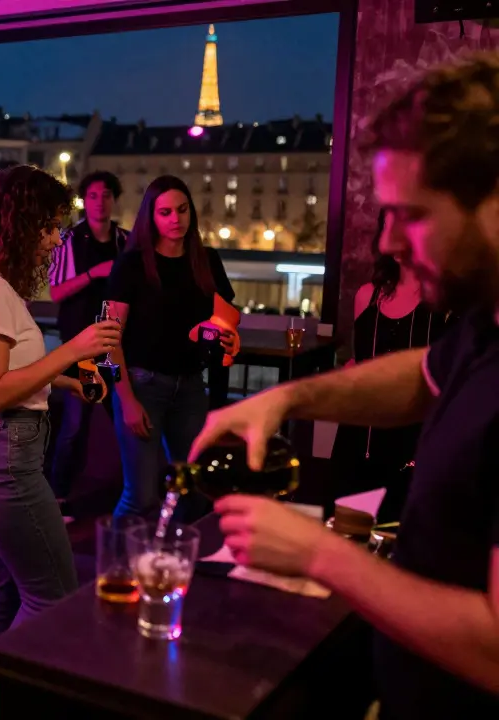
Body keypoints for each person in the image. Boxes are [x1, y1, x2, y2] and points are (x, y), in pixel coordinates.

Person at [196, 55, 499, 720]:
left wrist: (318, 555)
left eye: (409, 214)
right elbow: (421, 376)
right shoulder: (487, 319)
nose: (387, 241)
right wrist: (284, 398)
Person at [0, 165, 119, 720]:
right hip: (1, 456)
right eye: (47, 227)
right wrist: (74, 350)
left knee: (11, 592)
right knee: (54, 597)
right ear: (19, 224)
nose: (54, 239)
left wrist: (59, 380)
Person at [105, 175, 236, 520]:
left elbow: (227, 319)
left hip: (191, 386)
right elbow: (109, 340)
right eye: (165, 212)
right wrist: (127, 400)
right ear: (151, 217)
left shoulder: (206, 260)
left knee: (194, 491)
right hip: (142, 385)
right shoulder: (132, 264)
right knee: (141, 496)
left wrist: (228, 335)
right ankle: (116, 569)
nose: (175, 219)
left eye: (182, 210)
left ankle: (173, 565)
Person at [329, 207, 449, 522]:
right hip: (359, 437)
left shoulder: (444, 302)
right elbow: (360, 361)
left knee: (400, 538)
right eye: (387, 228)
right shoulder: (367, 296)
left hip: (414, 442)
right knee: (347, 531)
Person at [46, 170, 130, 522]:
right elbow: (56, 292)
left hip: (117, 345)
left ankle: (136, 495)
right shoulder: (67, 240)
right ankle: (58, 496)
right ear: (85, 200)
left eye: (106, 195)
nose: (100, 202)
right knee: (75, 424)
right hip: (80, 346)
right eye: (93, 195)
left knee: (126, 419)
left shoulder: (126, 241)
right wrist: (95, 273)